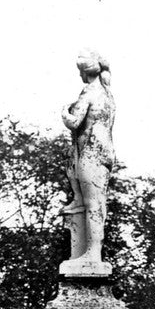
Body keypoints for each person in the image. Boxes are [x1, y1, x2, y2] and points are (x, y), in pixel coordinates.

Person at [62, 50, 116, 262]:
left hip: (92, 152)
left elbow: (74, 122)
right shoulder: (107, 95)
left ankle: (93, 255)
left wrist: (63, 112)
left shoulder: (89, 92)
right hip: (102, 150)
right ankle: (77, 198)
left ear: (86, 72)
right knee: (91, 201)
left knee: (94, 204)